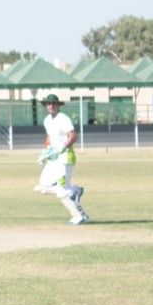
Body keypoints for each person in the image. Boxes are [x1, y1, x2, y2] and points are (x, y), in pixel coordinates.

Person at [34, 94, 89, 225]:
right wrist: (44, 152)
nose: (51, 106)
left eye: (54, 103)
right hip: (54, 159)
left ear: (58, 105)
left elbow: (73, 136)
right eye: (49, 104)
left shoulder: (63, 119)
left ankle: (79, 216)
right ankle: (74, 191)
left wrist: (62, 148)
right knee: (42, 185)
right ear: (46, 106)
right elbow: (50, 138)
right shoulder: (47, 120)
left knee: (61, 190)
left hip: (65, 158)